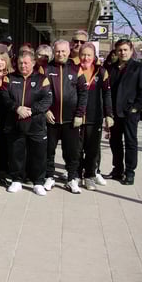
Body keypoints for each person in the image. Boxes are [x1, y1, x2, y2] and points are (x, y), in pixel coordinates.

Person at [0, 51, 52, 196]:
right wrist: (17, 108)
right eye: (20, 63)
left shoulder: (42, 79)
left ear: (33, 63)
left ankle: (38, 182)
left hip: (36, 124)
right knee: (16, 153)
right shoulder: (8, 78)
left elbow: (47, 100)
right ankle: (16, 179)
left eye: (26, 63)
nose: (23, 65)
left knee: (38, 154)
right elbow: (4, 97)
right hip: (15, 122)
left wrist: (31, 111)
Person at [44, 40, 88, 193]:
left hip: (71, 120)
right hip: (51, 119)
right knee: (49, 150)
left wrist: (79, 114)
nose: (60, 54)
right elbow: (40, 94)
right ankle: (49, 176)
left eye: (63, 51)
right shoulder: (46, 69)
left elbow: (83, 93)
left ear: (69, 52)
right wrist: (45, 110)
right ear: (53, 52)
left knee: (72, 151)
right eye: (57, 51)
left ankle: (72, 178)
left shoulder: (77, 69)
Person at [108, 39, 142, 185]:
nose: (122, 52)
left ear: (131, 50)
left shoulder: (139, 68)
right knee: (115, 142)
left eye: (125, 49)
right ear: (116, 52)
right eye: (120, 50)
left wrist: (135, 109)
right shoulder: (112, 68)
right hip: (114, 113)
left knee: (130, 142)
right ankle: (117, 169)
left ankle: (130, 172)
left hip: (130, 113)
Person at [77, 43, 113, 190]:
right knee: (76, 149)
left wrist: (108, 114)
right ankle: (76, 175)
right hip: (77, 117)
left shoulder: (101, 72)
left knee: (92, 149)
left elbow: (107, 94)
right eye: (83, 55)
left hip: (94, 117)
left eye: (89, 55)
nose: (86, 58)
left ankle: (90, 176)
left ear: (94, 57)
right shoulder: (74, 70)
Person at [0, 50, 13, 184]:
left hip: (7, 116)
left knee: (5, 145)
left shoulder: (12, 76)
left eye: (2, 59)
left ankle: (3, 172)